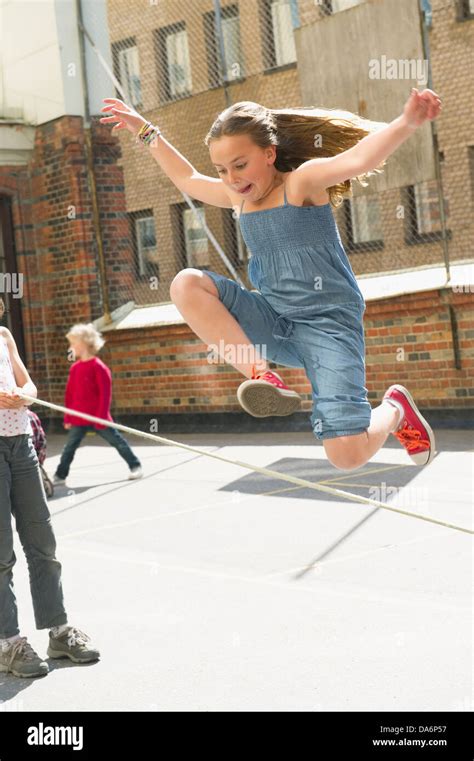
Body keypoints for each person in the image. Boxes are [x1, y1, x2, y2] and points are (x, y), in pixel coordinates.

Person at [100, 88, 441, 470]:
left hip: (328, 326)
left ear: (269, 153)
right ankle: (262, 374)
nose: (232, 178)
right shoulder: (238, 198)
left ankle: (394, 408)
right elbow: (187, 176)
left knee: (346, 455)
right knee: (185, 283)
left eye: (240, 165)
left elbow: (359, 158)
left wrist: (407, 122)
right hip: (274, 321)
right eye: (222, 170)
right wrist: (144, 130)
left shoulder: (301, 185)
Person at [0, 299, 100, 678]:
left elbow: (29, 383)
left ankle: (58, 632)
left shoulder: (4, 335)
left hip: (21, 445)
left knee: (43, 543)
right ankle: (8, 642)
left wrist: (25, 394)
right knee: (0, 551)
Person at [54, 322, 143, 484]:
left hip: (98, 417)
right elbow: (70, 395)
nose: (71, 346)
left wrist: (101, 417)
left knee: (117, 441)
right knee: (70, 447)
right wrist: (68, 417)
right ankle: (60, 475)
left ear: (85, 343)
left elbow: (105, 394)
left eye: (74, 343)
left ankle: (135, 465)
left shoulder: (99, 367)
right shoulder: (75, 368)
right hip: (78, 418)